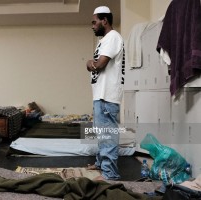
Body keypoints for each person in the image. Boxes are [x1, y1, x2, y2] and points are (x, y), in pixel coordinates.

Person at [86, 6, 125, 180]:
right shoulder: (104, 40)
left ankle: (110, 175)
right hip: (100, 95)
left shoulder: (113, 37)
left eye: (94, 22)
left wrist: (90, 63)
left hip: (107, 96)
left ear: (105, 20)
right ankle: (101, 164)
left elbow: (99, 64)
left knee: (107, 134)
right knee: (102, 133)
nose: (92, 26)